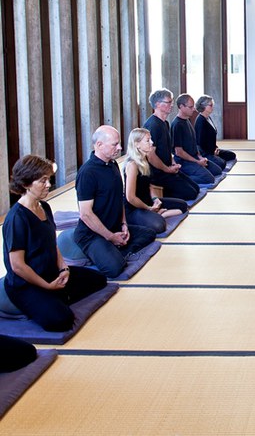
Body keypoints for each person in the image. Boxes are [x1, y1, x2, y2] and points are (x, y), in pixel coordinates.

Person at [3, 155, 106, 331]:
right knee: (61, 321)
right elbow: (18, 266)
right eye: (43, 181)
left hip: (51, 273)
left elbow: (52, 243)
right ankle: (42, 302)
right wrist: (47, 286)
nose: (49, 185)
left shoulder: (44, 206)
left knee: (99, 280)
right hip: (27, 283)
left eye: (48, 179)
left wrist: (64, 268)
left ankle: (56, 297)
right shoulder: (17, 218)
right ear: (26, 183)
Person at [74, 126, 157, 279]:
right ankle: (111, 251)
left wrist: (124, 224)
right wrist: (110, 236)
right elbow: (86, 214)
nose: (119, 148)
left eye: (119, 143)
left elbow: (120, 197)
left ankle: (114, 249)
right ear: (99, 145)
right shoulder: (87, 173)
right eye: (114, 144)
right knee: (114, 268)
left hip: (115, 226)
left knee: (149, 234)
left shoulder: (112, 165)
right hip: (93, 234)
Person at [124, 128, 188, 234]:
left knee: (183, 205)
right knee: (159, 226)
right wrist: (148, 208)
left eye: (151, 139)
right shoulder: (132, 165)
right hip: (135, 207)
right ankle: (158, 215)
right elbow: (130, 198)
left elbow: (149, 185)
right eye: (148, 140)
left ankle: (159, 214)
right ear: (137, 144)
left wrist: (155, 199)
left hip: (148, 201)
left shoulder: (145, 159)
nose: (152, 143)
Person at [144, 89, 200, 201]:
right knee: (190, 194)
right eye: (168, 102)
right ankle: (155, 196)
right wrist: (166, 169)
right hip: (158, 173)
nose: (172, 105)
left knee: (196, 188)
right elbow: (150, 156)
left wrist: (173, 163)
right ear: (157, 104)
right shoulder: (153, 125)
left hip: (168, 168)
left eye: (172, 102)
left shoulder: (165, 123)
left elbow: (168, 149)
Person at [171, 93, 222, 185]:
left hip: (194, 157)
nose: (194, 109)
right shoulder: (177, 125)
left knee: (217, 170)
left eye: (193, 106)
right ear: (181, 107)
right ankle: (181, 178)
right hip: (185, 161)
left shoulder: (188, 120)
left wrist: (200, 157)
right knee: (208, 179)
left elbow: (194, 143)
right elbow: (179, 152)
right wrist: (197, 162)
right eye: (190, 107)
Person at [194, 95, 237, 170]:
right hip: (205, 152)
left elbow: (211, 138)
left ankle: (215, 157)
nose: (212, 107)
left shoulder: (208, 118)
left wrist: (215, 148)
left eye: (212, 105)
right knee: (222, 164)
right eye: (210, 105)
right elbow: (201, 143)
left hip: (212, 149)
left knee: (232, 155)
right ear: (203, 106)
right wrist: (212, 152)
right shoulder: (200, 121)